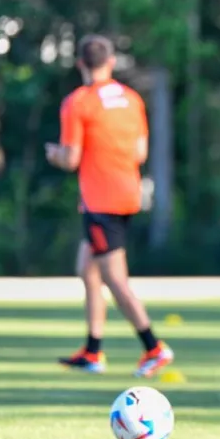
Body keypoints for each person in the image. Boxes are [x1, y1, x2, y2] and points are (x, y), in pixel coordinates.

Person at [48, 34, 174, 379]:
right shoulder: (131, 99)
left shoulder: (78, 102)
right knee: (86, 270)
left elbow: (71, 158)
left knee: (114, 279)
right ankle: (92, 350)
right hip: (127, 194)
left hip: (100, 200)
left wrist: (55, 155)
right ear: (111, 62)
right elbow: (140, 153)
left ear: (80, 65)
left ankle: (154, 346)